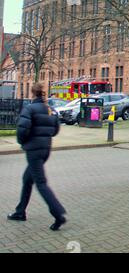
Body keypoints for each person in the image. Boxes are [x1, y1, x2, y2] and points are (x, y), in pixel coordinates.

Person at [7, 83, 67, 231]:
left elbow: (22, 129)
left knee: (41, 183)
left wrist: (23, 142)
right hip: (45, 150)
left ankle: (58, 213)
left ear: (33, 94)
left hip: (33, 151)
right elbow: (55, 130)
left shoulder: (29, 109)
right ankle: (20, 212)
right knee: (27, 179)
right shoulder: (50, 110)